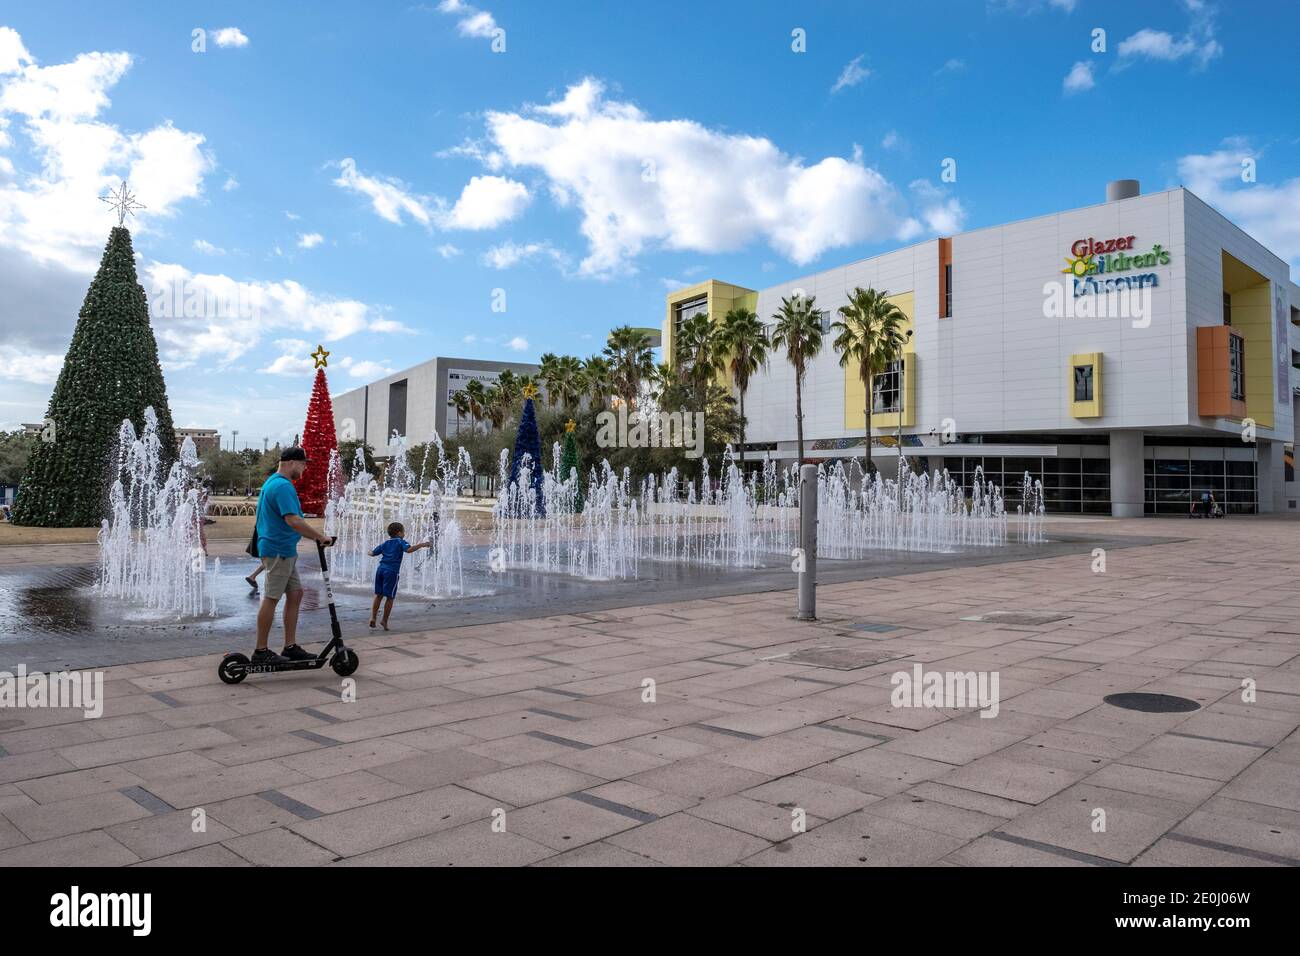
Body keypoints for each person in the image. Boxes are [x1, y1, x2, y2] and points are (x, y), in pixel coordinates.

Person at [251, 447, 333, 665]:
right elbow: (293, 520)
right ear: (291, 463)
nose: (305, 468)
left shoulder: (273, 482)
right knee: (271, 597)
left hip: (284, 550)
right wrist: (320, 537)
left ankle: (290, 646)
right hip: (278, 550)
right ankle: (261, 651)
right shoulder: (282, 486)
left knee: (296, 593)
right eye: (304, 464)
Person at [369, 521, 431, 630]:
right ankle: (384, 620)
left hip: (380, 570)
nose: (404, 534)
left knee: (378, 595)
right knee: (390, 597)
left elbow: (373, 553)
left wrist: (369, 552)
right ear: (399, 533)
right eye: (404, 531)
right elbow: (409, 549)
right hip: (391, 572)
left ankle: (373, 618)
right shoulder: (400, 541)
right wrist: (422, 545)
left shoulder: (385, 543)